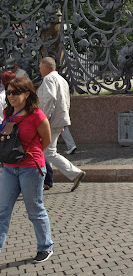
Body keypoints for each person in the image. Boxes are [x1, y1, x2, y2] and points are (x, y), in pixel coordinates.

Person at [0, 77, 54, 262]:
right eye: (8, 92)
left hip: (31, 168)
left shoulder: (37, 115)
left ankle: (45, 247)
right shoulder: (7, 112)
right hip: (9, 168)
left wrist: (28, 154)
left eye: (15, 92)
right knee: (2, 211)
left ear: (27, 93)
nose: (11, 96)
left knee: (34, 210)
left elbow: (46, 141)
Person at [37, 58, 85, 191]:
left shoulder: (48, 79)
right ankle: (47, 180)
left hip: (50, 121)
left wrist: (43, 119)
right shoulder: (62, 80)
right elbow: (65, 101)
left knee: (48, 152)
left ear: (45, 68)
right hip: (58, 119)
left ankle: (75, 173)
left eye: (40, 68)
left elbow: (50, 99)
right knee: (48, 151)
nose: (39, 71)